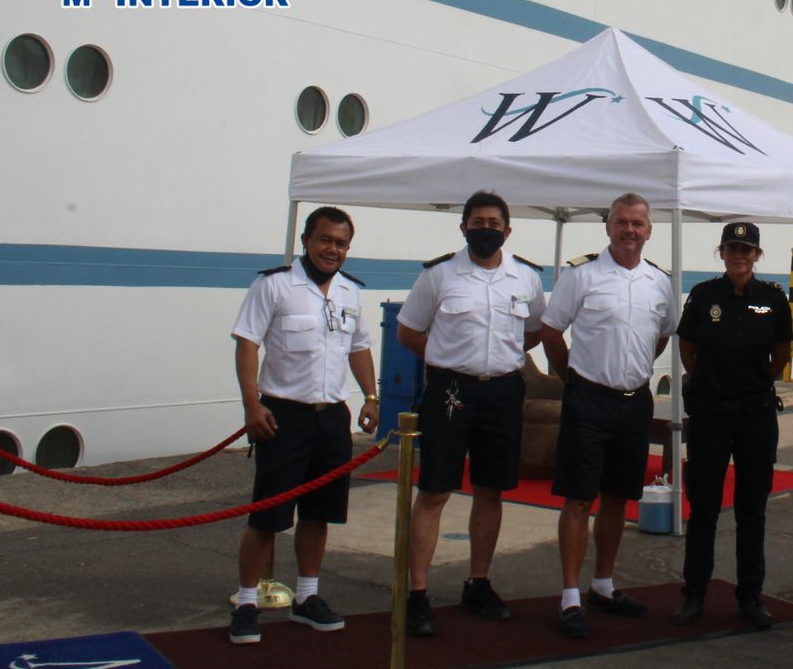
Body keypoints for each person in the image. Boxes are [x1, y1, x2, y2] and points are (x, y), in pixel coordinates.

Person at [396, 191, 549, 636]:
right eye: (477, 221)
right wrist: (446, 356)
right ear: (463, 227)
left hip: (503, 391)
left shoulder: (526, 279)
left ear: (507, 229)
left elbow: (534, 332)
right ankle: (418, 593)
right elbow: (408, 331)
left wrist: (496, 357)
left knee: (490, 490)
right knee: (435, 491)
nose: (486, 229)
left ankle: (478, 583)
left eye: (494, 222)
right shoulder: (439, 276)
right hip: (451, 391)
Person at [228, 206, 379, 646]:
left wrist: (370, 396)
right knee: (267, 514)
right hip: (282, 415)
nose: (333, 249)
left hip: (332, 417)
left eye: (342, 243)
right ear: (306, 241)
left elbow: (360, 347)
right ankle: (247, 601)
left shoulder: (351, 292)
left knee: (320, 512)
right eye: (326, 240)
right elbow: (247, 343)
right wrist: (251, 404)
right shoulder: (273, 285)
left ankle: (307, 597)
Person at [537, 193, 675, 639]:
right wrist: (569, 376)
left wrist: (630, 372)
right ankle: (570, 596)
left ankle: (603, 585)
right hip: (588, 400)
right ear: (608, 227)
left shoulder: (660, 283)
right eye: (622, 223)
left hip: (635, 403)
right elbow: (551, 328)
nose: (630, 231)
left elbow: (661, 335)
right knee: (578, 498)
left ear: (649, 230)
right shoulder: (582, 276)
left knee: (618, 496)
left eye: (638, 224)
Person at [671, 222, 792, 629]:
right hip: (710, 413)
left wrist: (757, 383)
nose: (739, 256)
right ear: (721, 253)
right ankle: (693, 594)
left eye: (746, 250)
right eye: (732, 249)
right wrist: (705, 379)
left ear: (757, 255)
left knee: (751, 510)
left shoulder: (773, 299)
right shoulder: (704, 296)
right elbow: (687, 346)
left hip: (755, 414)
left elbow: (781, 351)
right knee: (704, 508)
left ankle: (750, 596)